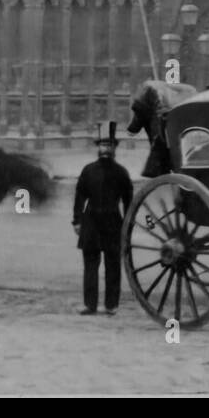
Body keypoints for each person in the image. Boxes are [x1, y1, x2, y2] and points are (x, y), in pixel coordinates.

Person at [73, 120, 133, 316]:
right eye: (102, 145)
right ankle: (89, 305)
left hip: (113, 223)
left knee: (113, 266)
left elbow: (129, 202)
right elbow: (80, 197)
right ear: (97, 148)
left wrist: (126, 225)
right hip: (90, 222)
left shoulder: (122, 173)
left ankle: (111, 305)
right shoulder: (88, 170)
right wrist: (77, 221)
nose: (105, 148)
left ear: (115, 148)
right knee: (90, 266)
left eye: (109, 145)